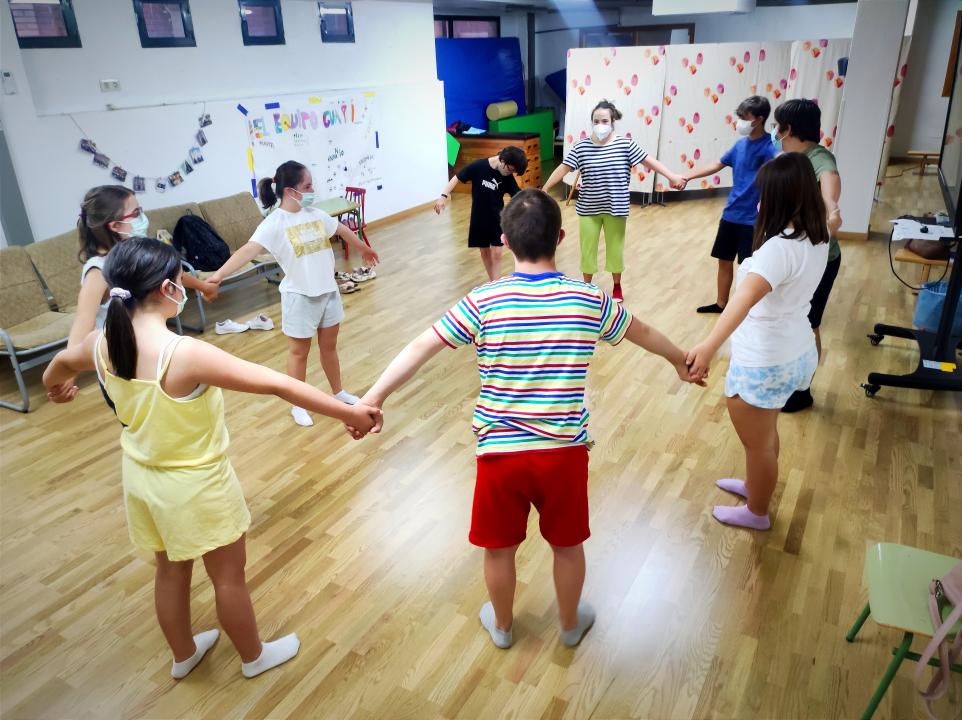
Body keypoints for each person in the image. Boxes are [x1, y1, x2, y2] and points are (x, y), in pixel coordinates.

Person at [354, 189, 700, 649]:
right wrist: (679, 359)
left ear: (504, 240)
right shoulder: (587, 298)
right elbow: (644, 331)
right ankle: (570, 624)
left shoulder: (483, 300)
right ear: (560, 237)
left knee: (498, 550)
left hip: (500, 456)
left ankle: (502, 626)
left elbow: (421, 345)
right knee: (567, 545)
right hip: (563, 454)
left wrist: (373, 396)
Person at [42, 238, 382, 679]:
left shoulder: (101, 342)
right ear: (167, 289)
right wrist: (349, 413)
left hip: (142, 480)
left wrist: (55, 388)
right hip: (197, 486)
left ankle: (183, 656)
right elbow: (277, 384)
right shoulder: (183, 354)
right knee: (228, 577)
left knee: (170, 571)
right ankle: (254, 657)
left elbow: (59, 365)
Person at [686, 153, 829, 531]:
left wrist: (707, 347)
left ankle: (757, 511)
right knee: (765, 434)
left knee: (758, 444)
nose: (759, 201)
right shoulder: (818, 235)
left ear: (780, 199)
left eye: (764, 194)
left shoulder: (777, 250)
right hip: (796, 350)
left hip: (765, 362)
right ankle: (755, 487)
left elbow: (742, 301)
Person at [209, 161, 379, 427]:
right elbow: (248, 250)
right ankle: (297, 405)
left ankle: (339, 392)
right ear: (290, 191)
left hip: (328, 292)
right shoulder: (274, 223)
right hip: (300, 297)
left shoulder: (315, 214)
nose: (312, 191)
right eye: (307, 186)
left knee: (329, 347)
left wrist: (363, 248)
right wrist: (218, 275)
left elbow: (342, 230)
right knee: (299, 353)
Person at [542, 100, 687, 302]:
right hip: (588, 209)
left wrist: (672, 176)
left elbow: (649, 161)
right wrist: (544, 189)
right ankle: (587, 287)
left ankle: (617, 287)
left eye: (604, 121)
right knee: (587, 250)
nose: (600, 124)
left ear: (612, 122)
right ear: (591, 122)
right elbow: (564, 168)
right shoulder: (581, 147)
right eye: (596, 121)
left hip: (616, 208)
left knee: (615, 249)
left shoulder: (625, 145)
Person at [69, 185, 219, 349]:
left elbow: (175, 273)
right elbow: (80, 332)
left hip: (150, 347)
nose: (143, 217)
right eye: (136, 213)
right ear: (115, 226)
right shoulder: (97, 271)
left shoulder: (134, 253)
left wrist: (205, 287)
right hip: (122, 356)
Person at [770, 99, 843, 412]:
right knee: (788, 322)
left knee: (808, 324)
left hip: (818, 261)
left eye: (778, 126)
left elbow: (829, 180)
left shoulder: (819, 157)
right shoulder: (791, 157)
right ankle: (788, 378)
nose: (775, 132)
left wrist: (832, 208)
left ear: (788, 129)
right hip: (791, 256)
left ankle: (802, 390)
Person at [683, 96, 777, 314]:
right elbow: (717, 164)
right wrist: (687, 176)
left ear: (759, 119)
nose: (740, 121)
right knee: (724, 260)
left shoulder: (769, 147)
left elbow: (781, 169)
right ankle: (721, 304)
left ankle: (745, 310)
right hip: (731, 214)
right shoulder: (740, 145)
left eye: (744, 117)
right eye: (739, 116)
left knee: (748, 267)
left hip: (752, 220)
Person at [435, 146, 527, 282]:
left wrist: (533, 205)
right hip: (479, 217)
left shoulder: (507, 176)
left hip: (497, 218)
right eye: (510, 169)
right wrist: (443, 196)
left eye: (513, 171)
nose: (510, 173)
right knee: (484, 251)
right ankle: (494, 282)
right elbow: (457, 177)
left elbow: (518, 195)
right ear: (503, 161)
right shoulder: (479, 166)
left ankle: (496, 284)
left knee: (497, 252)